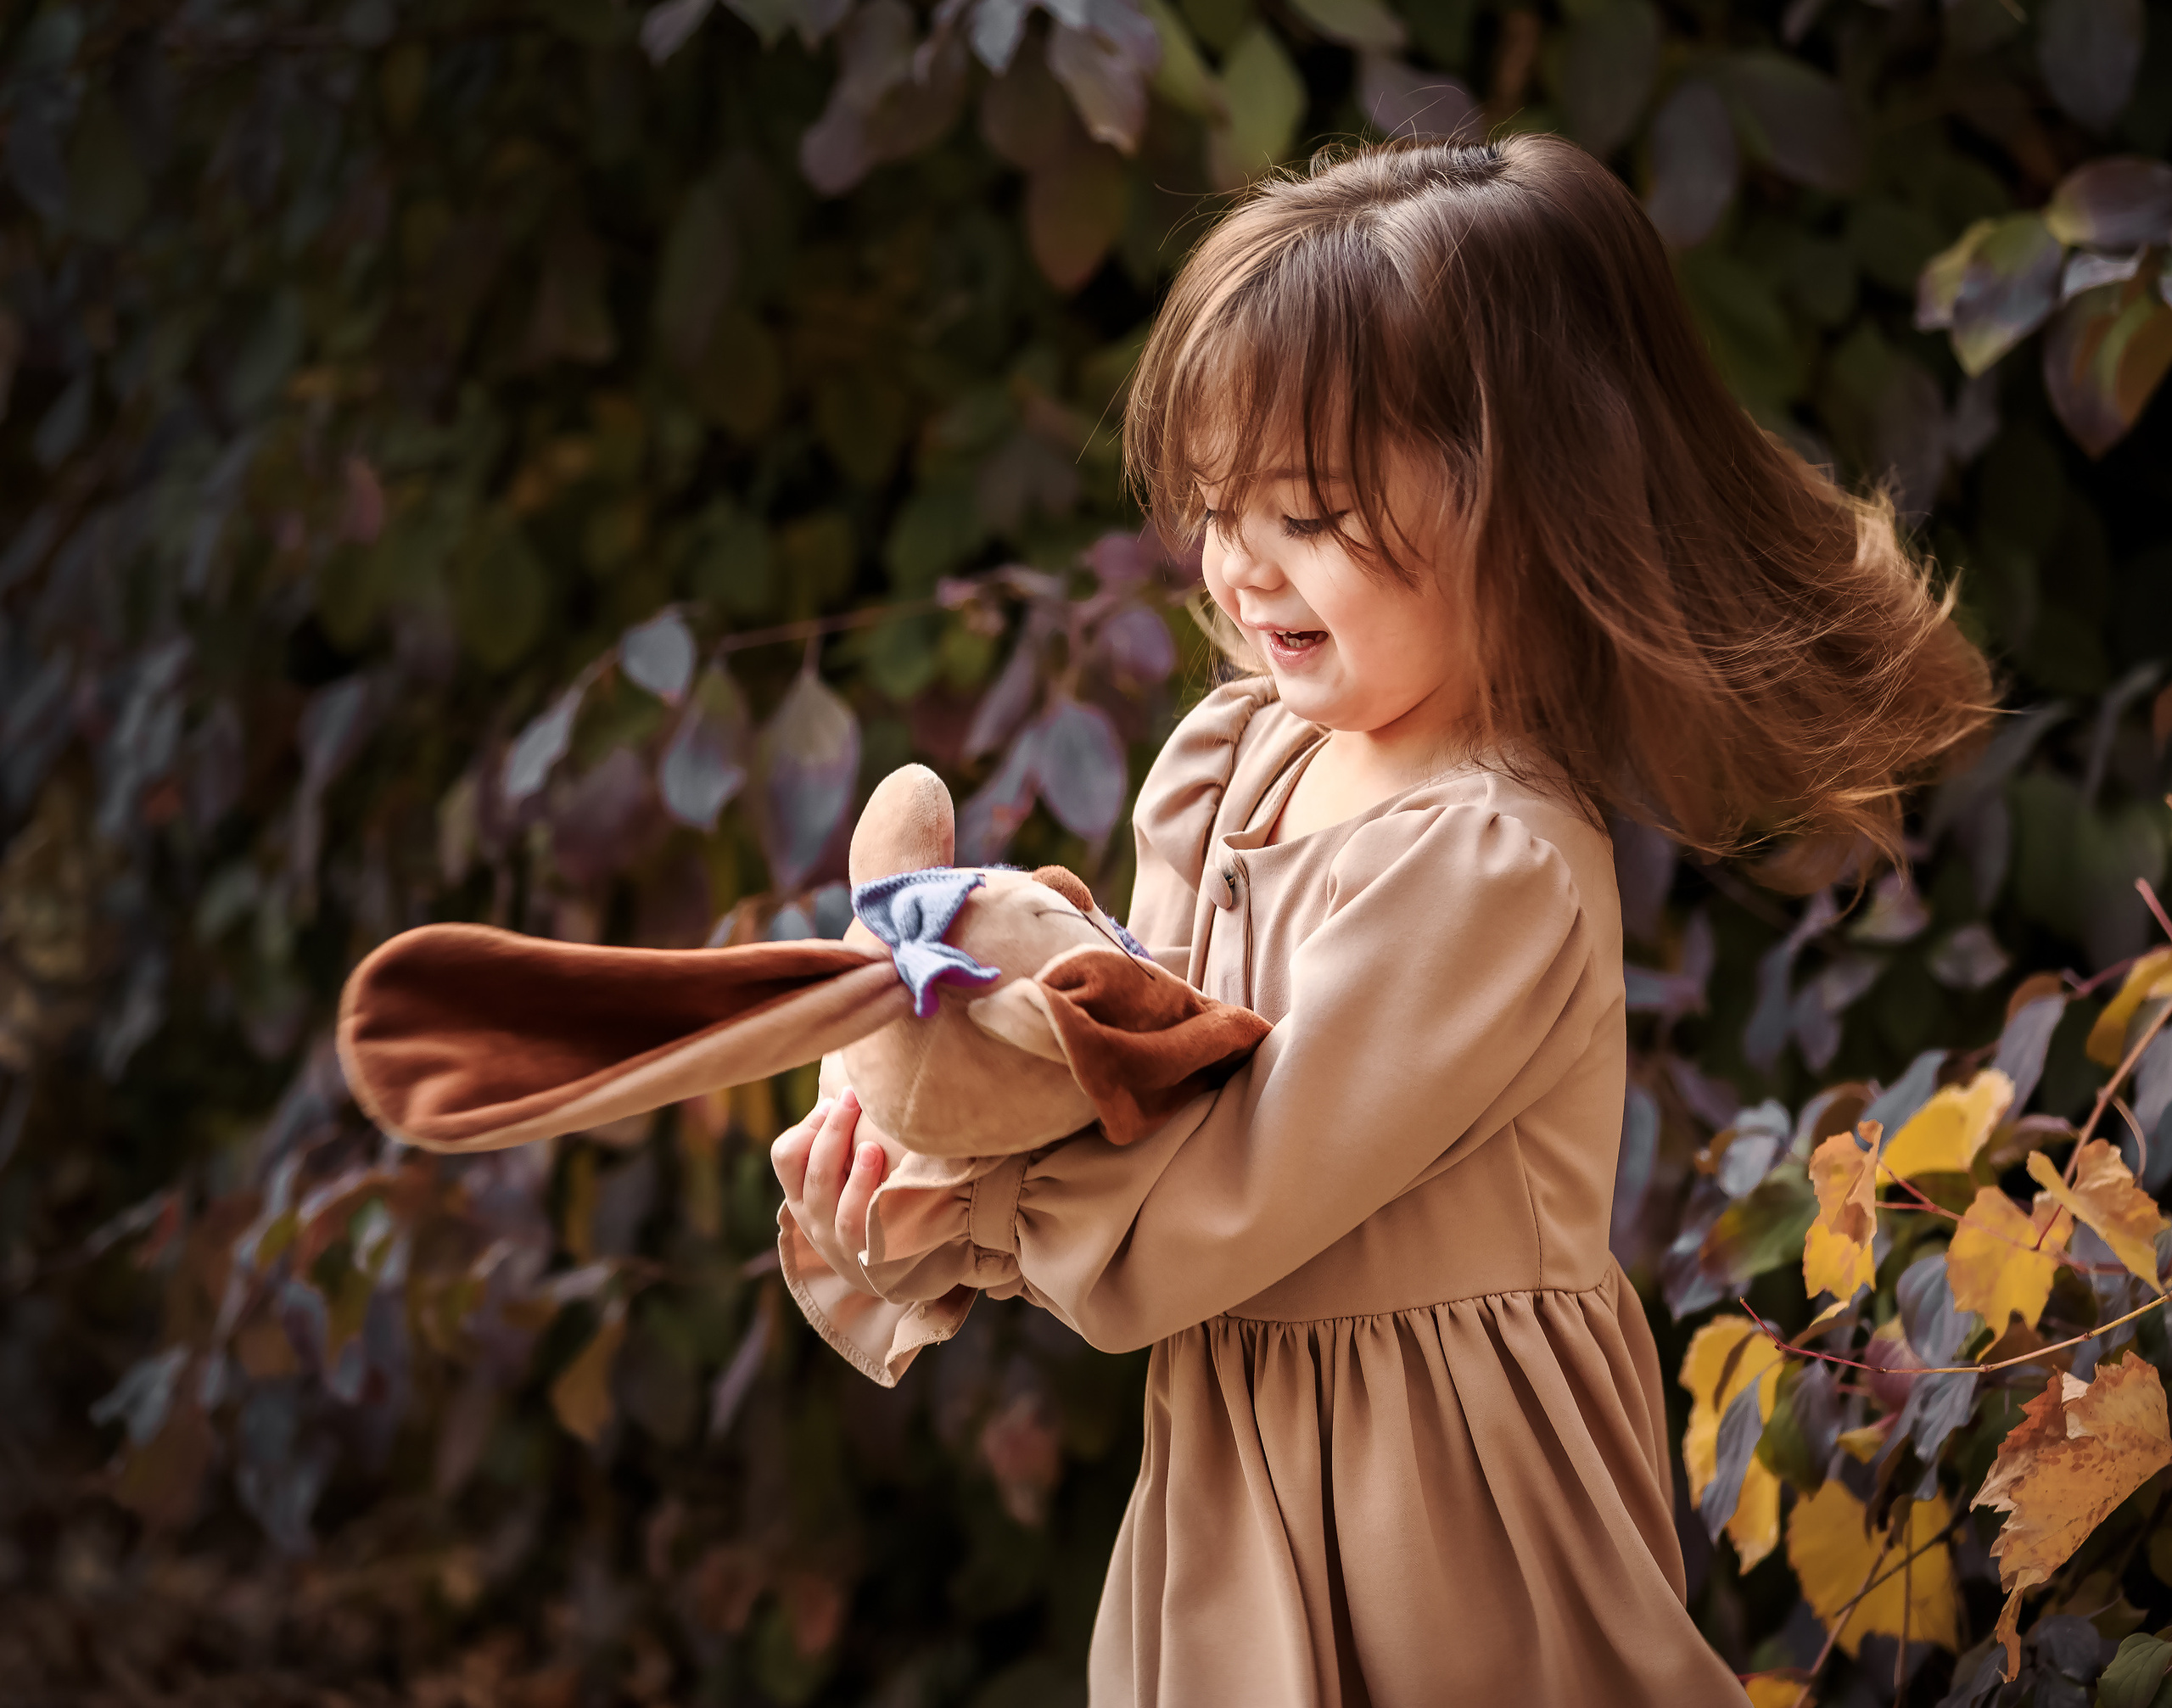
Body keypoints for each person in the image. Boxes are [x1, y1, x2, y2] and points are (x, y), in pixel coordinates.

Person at [770, 135, 1992, 1705]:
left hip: (1447, 1513)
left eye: (1308, 512)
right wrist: (930, 1121)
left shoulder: (1496, 864)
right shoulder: (1243, 756)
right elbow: (1138, 1065)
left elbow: (1206, 1211)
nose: (1235, 563)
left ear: (1525, 503)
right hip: (1240, 1463)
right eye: (1216, 505)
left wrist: (986, 1210)